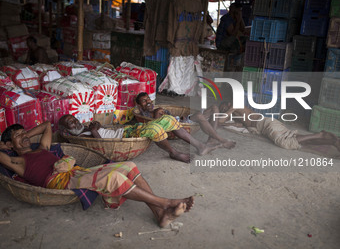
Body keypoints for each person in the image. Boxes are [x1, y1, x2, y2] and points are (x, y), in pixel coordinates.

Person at [0, 122, 194, 228]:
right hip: (59, 181)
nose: (25, 136)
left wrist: (22, 134)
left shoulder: (42, 148)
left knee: (128, 166)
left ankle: (159, 213)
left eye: (25, 133)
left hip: (74, 172)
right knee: (114, 179)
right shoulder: (18, 162)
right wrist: (10, 142)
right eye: (18, 136)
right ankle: (165, 203)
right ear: (9, 146)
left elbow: (47, 126)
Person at [58, 114, 223, 163]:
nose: (76, 122)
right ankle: (173, 152)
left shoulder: (85, 128)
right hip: (124, 136)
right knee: (154, 128)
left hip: (128, 130)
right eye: (71, 124)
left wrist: (96, 126)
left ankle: (200, 145)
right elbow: (102, 144)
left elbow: (100, 131)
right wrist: (94, 131)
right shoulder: (80, 137)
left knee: (169, 119)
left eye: (74, 119)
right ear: (66, 129)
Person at [219, 102, 340, 151]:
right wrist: (225, 123)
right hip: (265, 125)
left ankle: (319, 134)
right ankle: (333, 142)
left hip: (265, 124)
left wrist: (225, 114)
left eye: (223, 107)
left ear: (227, 104)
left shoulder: (234, 104)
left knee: (284, 142)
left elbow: (222, 118)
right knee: (302, 141)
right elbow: (238, 124)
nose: (223, 110)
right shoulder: (235, 114)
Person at [135, 92, 236, 149]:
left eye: (148, 99)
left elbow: (172, 116)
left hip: (182, 119)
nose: (148, 101)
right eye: (144, 101)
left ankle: (212, 139)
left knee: (214, 107)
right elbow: (158, 125)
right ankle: (221, 139)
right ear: (139, 106)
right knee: (200, 115)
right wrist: (158, 113)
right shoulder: (145, 114)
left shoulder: (156, 108)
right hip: (180, 125)